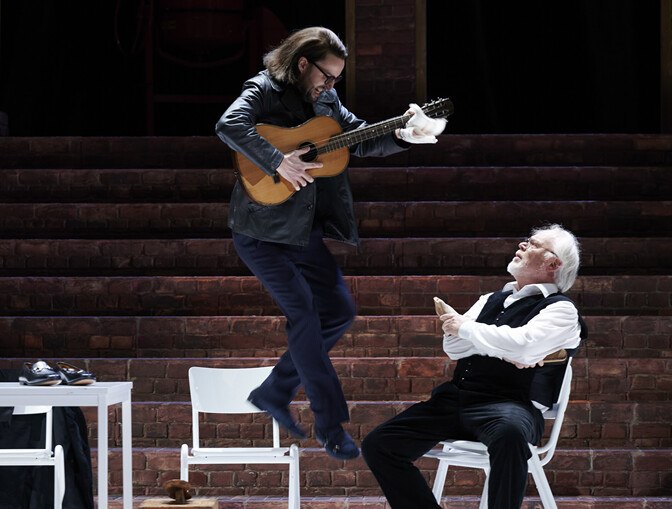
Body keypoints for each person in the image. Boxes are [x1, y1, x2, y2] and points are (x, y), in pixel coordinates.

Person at [214, 26, 446, 460]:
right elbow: (229, 124)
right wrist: (277, 160)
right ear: (303, 63)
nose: (331, 85)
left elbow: (358, 137)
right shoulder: (263, 89)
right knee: (304, 314)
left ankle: (273, 391)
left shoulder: (326, 100)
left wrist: (402, 134)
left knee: (338, 311)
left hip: (302, 233)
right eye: (327, 76)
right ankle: (330, 423)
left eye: (336, 79)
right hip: (260, 234)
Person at [362, 224, 587, 508]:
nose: (521, 245)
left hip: (510, 406)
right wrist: (500, 345)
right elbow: (454, 348)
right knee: (380, 444)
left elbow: (523, 345)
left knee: (510, 434)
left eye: (532, 243)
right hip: (456, 400)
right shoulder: (489, 300)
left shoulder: (560, 309)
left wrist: (470, 330)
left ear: (553, 263)